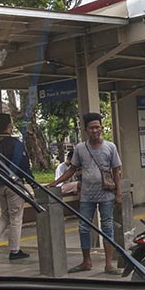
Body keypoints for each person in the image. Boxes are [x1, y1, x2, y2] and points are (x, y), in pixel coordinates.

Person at [52, 113, 122, 274]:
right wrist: (56, 182)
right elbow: (72, 169)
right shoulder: (80, 148)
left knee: (107, 227)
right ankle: (86, 261)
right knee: (84, 228)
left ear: (101, 128)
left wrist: (118, 194)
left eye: (97, 127)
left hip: (106, 195)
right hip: (86, 196)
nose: (95, 130)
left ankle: (109, 264)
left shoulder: (110, 147)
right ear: (86, 130)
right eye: (91, 128)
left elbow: (116, 172)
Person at [0, 113, 33, 261]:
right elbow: (24, 166)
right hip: (14, 184)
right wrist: (32, 183)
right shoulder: (16, 144)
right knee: (16, 217)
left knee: (5, 214)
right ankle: (14, 250)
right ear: (10, 126)